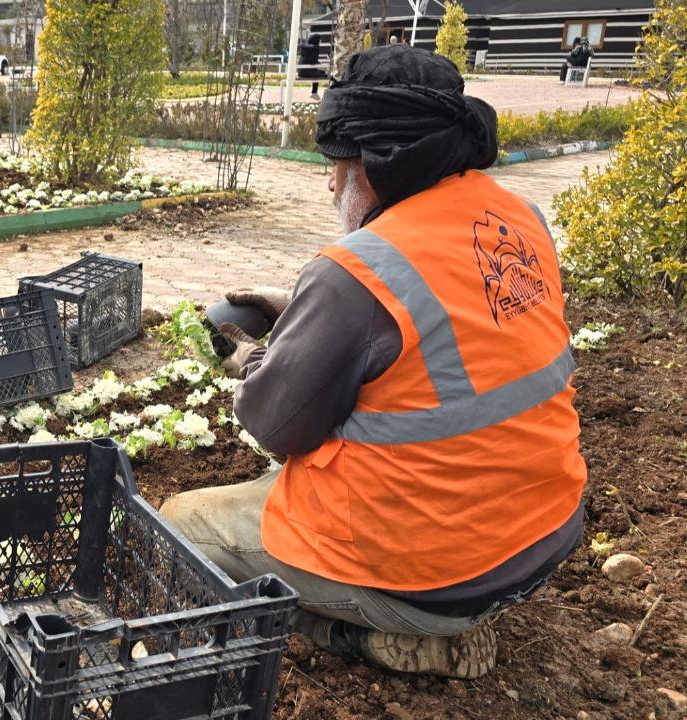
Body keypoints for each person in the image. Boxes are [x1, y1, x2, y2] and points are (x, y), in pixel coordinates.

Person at [160, 45, 585, 680]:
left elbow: (278, 428)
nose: (330, 181)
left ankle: (352, 635)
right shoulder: (518, 218)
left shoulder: (355, 276)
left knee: (177, 525)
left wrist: (257, 355)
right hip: (542, 534)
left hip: (434, 576)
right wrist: (309, 310)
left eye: (337, 164)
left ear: (378, 164)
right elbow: (441, 322)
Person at [297, 34, 328, 99]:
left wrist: (318, 64)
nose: (320, 42)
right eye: (320, 40)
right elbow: (313, 62)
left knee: (318, 72)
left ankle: (314, 93)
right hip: (307, 71)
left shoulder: (305, 47)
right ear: (316, 40)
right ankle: (315, 93)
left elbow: (309, 60)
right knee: (325, 75)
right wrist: (321, 65)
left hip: (301, 71)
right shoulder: (315, 48)